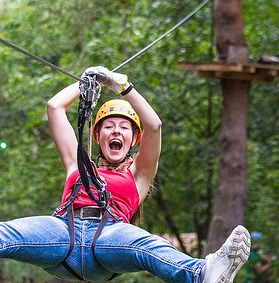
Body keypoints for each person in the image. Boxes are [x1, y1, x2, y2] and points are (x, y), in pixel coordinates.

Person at [0, 66, 251, 283]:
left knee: (148, 245)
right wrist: (86, 82)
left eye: (123, 127)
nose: (116, 131)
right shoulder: (77, 165)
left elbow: (154, 125)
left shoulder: (139, 175)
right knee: (5, 234)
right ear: (98, 137)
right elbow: (55, 107)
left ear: (133, 139)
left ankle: (200, 273)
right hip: (64, 233)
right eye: (108, 126)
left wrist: (123, 86)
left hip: (109, 239)